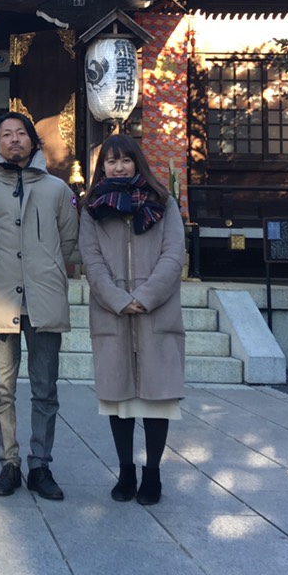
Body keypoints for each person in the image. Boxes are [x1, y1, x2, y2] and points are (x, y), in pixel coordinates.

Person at [78, 133, 185, 506]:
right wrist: (118, 299)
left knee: (157, 398)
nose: (119, 167)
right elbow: (91, 260)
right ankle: (125, 471)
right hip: (113, 313)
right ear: (102, 167)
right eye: (111, 161)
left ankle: (152, 472)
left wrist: (145, 296)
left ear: (137, 162)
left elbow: (173, 255)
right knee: (118, 399)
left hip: (157, 311)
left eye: (125, 159)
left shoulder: (163, 203)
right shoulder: (93, 208)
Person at [0, 112, 78, 501]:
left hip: (44, 297)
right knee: (1, 387)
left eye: (21, 133)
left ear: (33, 141)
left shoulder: (57, 189)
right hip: (2, 295)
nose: (15, 139)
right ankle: (9, 463)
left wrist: (47, 268)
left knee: (45, 387)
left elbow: (68, 240)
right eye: (6, 134)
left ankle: (40, 465)